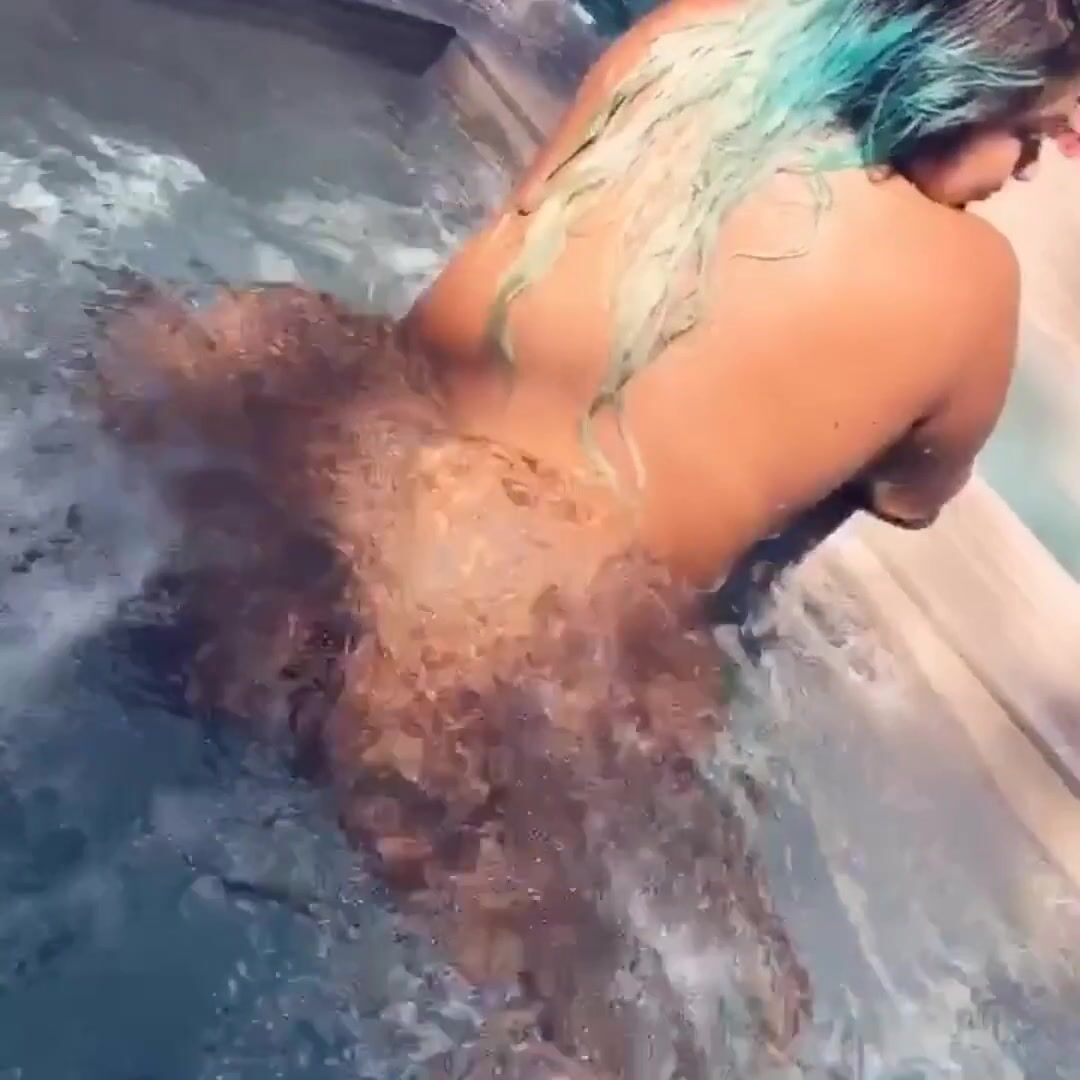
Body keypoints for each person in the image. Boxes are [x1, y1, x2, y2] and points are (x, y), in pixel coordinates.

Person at [98, 0, 1080, 1074]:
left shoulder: (684, 42)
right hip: (498, 651)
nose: (1027, 170)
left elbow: (540, 218)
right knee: (721, 1023)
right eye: (1030, 140)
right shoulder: (971, 282)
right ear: (961, 86)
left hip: (300, 470)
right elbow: (913, 495)